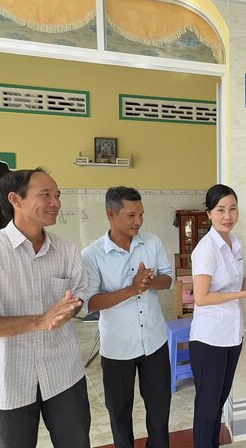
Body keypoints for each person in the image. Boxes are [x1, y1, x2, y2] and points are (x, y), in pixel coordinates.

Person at [0, 168, 90, 448]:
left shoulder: (67, 250)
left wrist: (69, 309)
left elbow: (80, 295)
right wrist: (39, 320)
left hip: (64, 372)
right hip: (5, 377)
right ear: (16, 199)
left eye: (58, 195)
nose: (56, 202)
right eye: (46, 194)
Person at [81, 186, 173, 448]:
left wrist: (150, 282)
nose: (138, 222)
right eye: (131, 216)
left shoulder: (152, 242)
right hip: (118, 348)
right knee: (119, 413)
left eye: (141, 215)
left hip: (154, 340)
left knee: (159, 408)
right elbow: (90, 303)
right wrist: (132, 289)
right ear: (111, 214)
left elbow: (167, 280)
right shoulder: (92, 255)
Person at [189, 184, 246, 448]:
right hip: (209, 339)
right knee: (207, 407)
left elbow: (230, 281)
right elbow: (202, 297)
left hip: (232, 335)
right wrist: (244, 296)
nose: (228, 215)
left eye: (233, 209)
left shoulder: (234, 243)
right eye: (221, 210)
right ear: (209, 213)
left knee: (219, 403)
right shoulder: (206, 249)